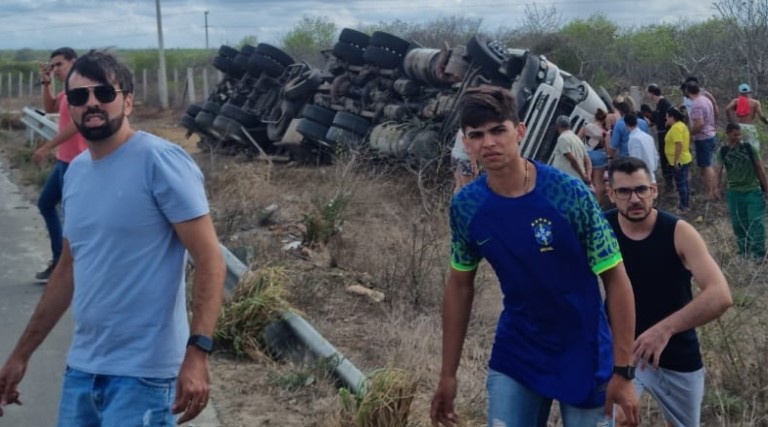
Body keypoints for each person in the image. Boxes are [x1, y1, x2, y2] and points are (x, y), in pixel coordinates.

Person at [0, 50, 226, 425]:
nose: (91, 103)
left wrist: (198, 352)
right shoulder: (76, 173)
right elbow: (68, 270)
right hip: (82, 370)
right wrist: (21, 354)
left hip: (146, 377)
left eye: (103, 93)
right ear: (69, 107)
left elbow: (210, 260)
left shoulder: (161, 161)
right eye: (78, 96)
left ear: (128, 100)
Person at [430, 85, 639, 427]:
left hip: (584, 349)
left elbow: (616, 279)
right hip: (519, 350)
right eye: (477, 135)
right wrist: (447, 374)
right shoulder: (467, 206)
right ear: (466, 142)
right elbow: (459, 286)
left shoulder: (568, 194)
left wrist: (624, 371)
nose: (489, 143)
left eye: (499, 130)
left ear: (520, 131)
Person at [605, 156, 732, 427]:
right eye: (624, 192)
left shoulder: (678, 232)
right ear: (610, 195)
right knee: (613, 422)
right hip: (620, 354)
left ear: (654, 190)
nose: (635, 198)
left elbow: (720, 294)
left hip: (676, 352)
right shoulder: (600, 230)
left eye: (641, 189)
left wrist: (664, 330)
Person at [32, 47, 87, 281]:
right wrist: (46, 84)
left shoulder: (79, 89)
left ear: (73, 62)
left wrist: (47, 146)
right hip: (63, 160)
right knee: (46, 204)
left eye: (59, 65)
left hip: (75, 162)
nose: (54, 70)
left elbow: (76, 124)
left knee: (71, 217)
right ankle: (59, 261)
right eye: (52, 66)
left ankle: (68, 268)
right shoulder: (66, 90)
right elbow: (50, 108)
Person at [717, 123, 768, 259]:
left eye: (740, 134)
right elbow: (718, 170)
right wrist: (716, 188)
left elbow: (760, 168)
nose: (738, 137)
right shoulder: (723, 151)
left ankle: (758, 255)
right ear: (728, 134)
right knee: (739, 224)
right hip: (734, 193)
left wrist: (766, 188)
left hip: (752, 191)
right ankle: (744, 252)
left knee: (756, 223)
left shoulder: (749, 148)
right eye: (735, 134)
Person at [685, 82, 718, 200]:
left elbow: (699, 124)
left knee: (706, 165)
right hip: (712, 134)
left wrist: (689, 133)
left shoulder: (696, 104)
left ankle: (710, 192)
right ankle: (715, 190)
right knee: (711, 164)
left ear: (688, 91)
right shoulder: (706, 99)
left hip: (703, 137)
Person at [579, 108, 610, 204]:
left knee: (586, 180)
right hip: (600, 156)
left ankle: (586, 202)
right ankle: (597, 203)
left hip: (587, 155)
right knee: (598, 181)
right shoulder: (605, 131)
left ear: (595, 117)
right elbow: (607, 146)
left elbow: (577, 139)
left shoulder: (586, 126)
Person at [664, 107, 693, 213]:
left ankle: (683, 206)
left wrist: (675, 161)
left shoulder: (676, 128)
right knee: (684, 182)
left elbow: (679, 144)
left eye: (667, 116)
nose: (666, 118)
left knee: (681, 183)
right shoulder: (682, 126)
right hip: (684, 158)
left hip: (679, 160)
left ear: (672, 117)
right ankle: (685, 203)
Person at [725, 83, 768, 150]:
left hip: (738, 127)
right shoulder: (755, 102)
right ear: (749, 92)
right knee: (754, 149)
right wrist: (766, 122)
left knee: (740, 148)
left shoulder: (736, 101)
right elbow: (761, 116)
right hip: (750, 127)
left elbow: (727, 109)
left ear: (740, 92)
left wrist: (730, 121)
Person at [552, 115, 592, 187]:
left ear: (557, 126)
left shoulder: (563, 138)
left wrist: (583, 175)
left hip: (564, 179)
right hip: (576, 180)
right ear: (570, 125)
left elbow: (572, 159)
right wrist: (588, 177)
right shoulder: (578, 140)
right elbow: (588, 161)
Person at [647, 84, 674, 188]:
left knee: (667, 158)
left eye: (648, 93)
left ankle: (670, 183)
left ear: (652, 93)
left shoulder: (665, 104)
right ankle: (668, 182)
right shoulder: (658, 105)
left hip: (666, 135)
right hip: (661, 134)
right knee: (663, 158)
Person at [626, 113, 659, 183]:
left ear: (626, 125)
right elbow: (655, 156)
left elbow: (635, 160)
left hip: (641, 176)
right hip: (651, 173)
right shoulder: (648, 137)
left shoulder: (634, 139)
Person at [451, 129, 478, 193]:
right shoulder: (471, 130)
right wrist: (474, 166)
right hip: (465, 159)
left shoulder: (462, 128)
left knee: (459, 185)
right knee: (468, 187)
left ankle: (455, 202)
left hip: (454, 156)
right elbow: (469, 150)